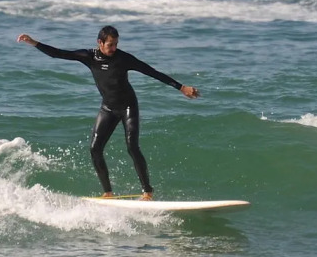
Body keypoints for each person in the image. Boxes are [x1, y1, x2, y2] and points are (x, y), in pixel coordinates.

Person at [17, 26, 200, 201]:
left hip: (128, 107)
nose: (114, 48)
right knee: (95, 149)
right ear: (100, 42)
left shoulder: (123, 58)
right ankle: (108, 193)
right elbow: (59, 53)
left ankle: (147, 191)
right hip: (108, 108)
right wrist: (34, 43)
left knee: (132, 147)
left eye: (116, 44)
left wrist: (181, 87)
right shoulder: (89, 56)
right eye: (110, 44)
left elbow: (152, 72)